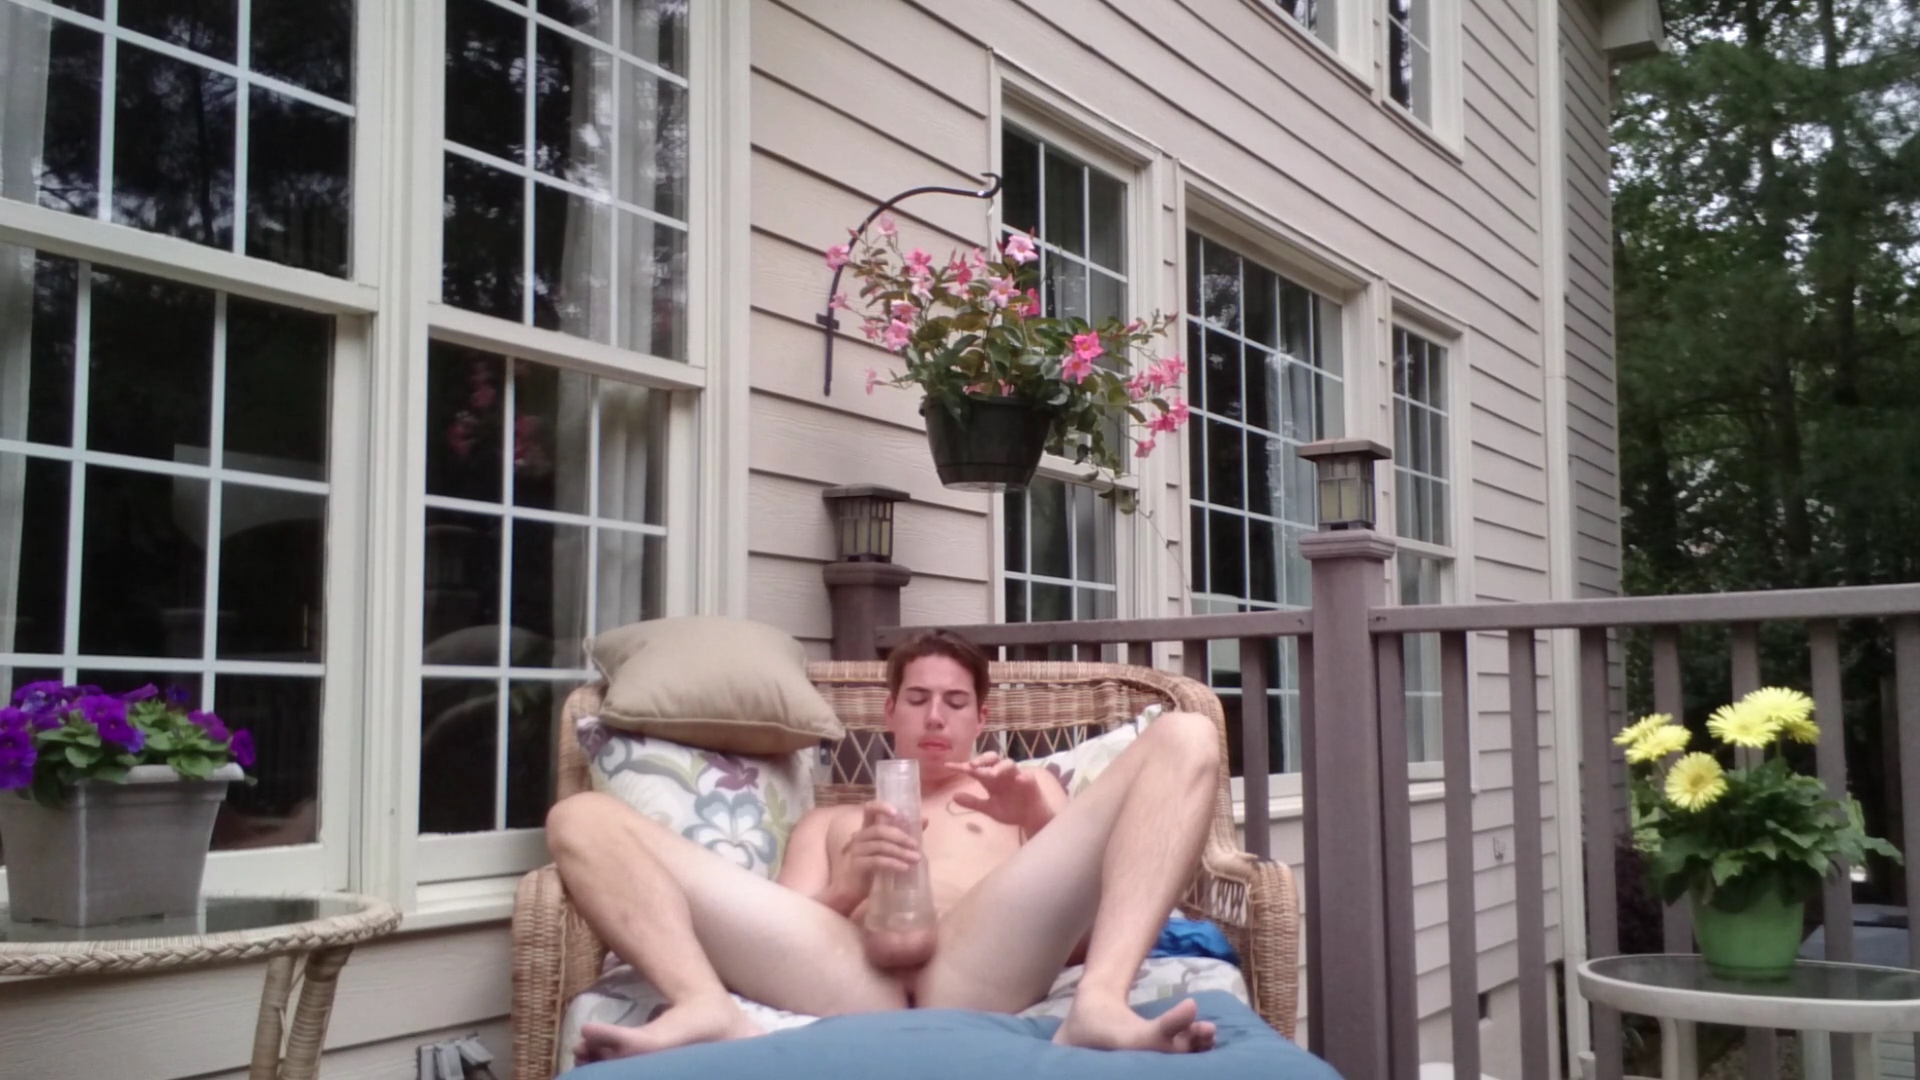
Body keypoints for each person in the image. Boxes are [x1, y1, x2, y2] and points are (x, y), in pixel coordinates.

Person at [546, 629, 1223, 1065]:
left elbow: (1077, 941)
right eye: (918, 699)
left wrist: (1037, 820)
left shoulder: (1030, 791)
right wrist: (849, 884)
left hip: (977, 967)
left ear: (982, 718)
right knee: (578, 818)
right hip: (851, 974)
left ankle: (1100, 1005)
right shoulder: (834, 822)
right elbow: (769, 942)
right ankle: (701, 1005)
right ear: (889, 711)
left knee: (1190, 735)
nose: (936, 716)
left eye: (955, 701)